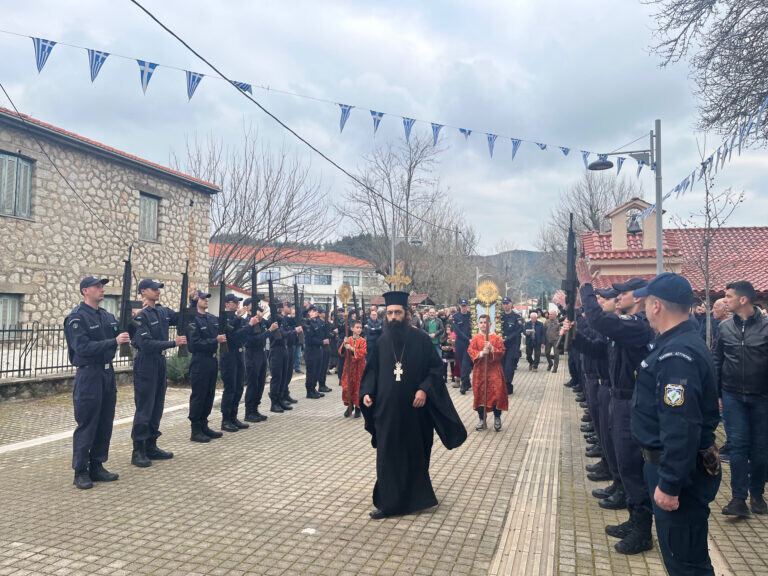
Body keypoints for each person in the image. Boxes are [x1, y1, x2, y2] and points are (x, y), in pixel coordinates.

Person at [632, 273, 721, 575]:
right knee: (682, 556)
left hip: (677, 473)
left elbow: (681, 426)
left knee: (686, 563)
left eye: (645, 303)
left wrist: (669, 483)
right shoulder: (679, 344)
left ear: (656, 306)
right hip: (675, 467)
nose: (644, 309)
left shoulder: (676, 356)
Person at [360, 291, 467, 519]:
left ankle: (416, 499)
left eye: (397, 312)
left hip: (415, 414)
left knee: (414, 454)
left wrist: (424, 389)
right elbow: (372, 371)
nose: (393, 317)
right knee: (387, 455)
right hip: (387, 413)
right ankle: (387, 504)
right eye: (389, 313)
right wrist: (367, 392)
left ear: (406, 314)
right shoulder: (381, 341)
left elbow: (436, 369)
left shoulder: (420, 340)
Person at [574, 260, 655, 555]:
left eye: (622, 293)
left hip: (630, 401)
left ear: (639, 297)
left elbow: (598, 320)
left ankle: (642, 530)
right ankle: (635, 519)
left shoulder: (637, 326)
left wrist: (586, 286)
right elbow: (599, 351)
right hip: (619, 398)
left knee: (632, 464)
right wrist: (575, 338)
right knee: (624, 460)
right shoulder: (625, 329)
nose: (617, 297)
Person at [65, 276, 129, 489]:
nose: (101, 290)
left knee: (105, 421)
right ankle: (80, 470)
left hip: (106, 373)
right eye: (97, 286)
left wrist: (134, 319)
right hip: (89, 374)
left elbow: (120, 336)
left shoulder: (107, 316)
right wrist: (113, 341)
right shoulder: (77, 318)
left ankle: (97, 465)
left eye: (102, 286)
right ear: (85, 291)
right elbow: (81, 347)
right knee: (88, 422)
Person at [715, 280, 768, 517]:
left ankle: (757, 494)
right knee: (737, 446)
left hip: (762, 397)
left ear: (743, 300)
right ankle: (738, 499)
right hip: (732, 395)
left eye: (728, 296)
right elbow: (718, 361)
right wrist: (717, 393)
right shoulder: (724, 327)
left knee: (760, 449)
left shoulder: (767, 327)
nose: (726, 300)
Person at [130, 279, 185, 468]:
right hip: (146, 362)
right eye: (154, 289)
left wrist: (193, 303)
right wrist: (172, 344)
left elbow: (181, 317)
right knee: (145, 407)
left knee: (157, 406)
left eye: (159, 288)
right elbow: (144, 343)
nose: (158, 291)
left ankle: (151, 445)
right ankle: (138, 450)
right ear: (143, 291)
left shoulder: (162, 311)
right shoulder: (139, 315)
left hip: (160, 361)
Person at [186, 290, 227, 443]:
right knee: (199, 396)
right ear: (196, 301)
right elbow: (194, 344)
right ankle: (195, 429)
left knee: (209, 395)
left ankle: (204, 425)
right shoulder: (193, 320)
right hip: (200, 361)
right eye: (203, 299)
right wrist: (214, 340)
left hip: (212, 360)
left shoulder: (211, 318)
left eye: (206, 298)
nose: (206, 301)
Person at [219, 294, 254, 432]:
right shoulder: (226, 318)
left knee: (239, 387)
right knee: (230, 388)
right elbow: (233, 336)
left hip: (239, 354)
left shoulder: (237, 318)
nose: (238, 305)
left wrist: (247, 322)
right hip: (229, 355)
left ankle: (233, 416)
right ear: (227, 304)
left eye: (238, 303)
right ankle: (226, 419)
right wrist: (240, 320)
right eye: (235, 302)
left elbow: (245, 334)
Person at [468, 314, 507, 431]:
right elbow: (470, 350)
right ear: (478, 324)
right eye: (481, 322)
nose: (483, 325)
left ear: (490, 324)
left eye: (485, 322)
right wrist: (480, 353)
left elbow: (502, 351)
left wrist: (492, 349)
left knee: (497, 393)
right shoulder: (475, 338)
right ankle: (481, 419)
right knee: (480, 394)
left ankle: (497, 418)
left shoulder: (496, 338)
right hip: (480, 371)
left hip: (494, 371)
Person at [243, 298, 272, 423]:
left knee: (260, 383)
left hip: (261, 353)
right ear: (247, 308)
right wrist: (268, 332)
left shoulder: (260, 322)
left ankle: (255, 409)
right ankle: (249, 412)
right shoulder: (247, 323)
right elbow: (254, 340)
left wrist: (262, 320)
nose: (258, 309)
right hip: (252, 354)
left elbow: (264, 332)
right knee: (253, 384)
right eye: (254, 306)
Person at [340, 319, 366, 418]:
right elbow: (342, 353)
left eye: (360, 328)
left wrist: (352, 349)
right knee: (347, 386)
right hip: (349, 367)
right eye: (357, 327)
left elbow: (362, 353)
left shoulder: (363, 341)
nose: (359, 329)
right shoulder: (349, 339)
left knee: (358, 387)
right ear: (352, 329)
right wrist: (345, 345)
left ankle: (358, 407)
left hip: (359, 368)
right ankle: (350, 405)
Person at [500, 297, 523, 395]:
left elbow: (518, 331)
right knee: (501, 366)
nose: (505, 305)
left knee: (509, 367)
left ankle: (508, 384)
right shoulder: (499, 317)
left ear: (511, 304)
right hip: (501, 345)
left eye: (507, 303)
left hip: (512, 346)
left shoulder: (516, 317)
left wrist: (507, 338)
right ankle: (502, 384)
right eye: (504, 303)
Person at [304, 305, 326, 399]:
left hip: (318, 349)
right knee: (311, 371)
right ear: (309, 312)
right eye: (313, 311)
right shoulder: (308, 323)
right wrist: (321, 342)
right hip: (311, 350)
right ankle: (309, 391)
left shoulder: (316, 322)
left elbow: (321, 334)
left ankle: (313, 389)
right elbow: (310, 339)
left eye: (315, 311)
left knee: (317, 370)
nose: (315, 312)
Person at [453, 298, 473, 394]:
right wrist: (467, 338)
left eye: (465, 306)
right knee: (461, 364)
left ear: (468, 306)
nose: (463, 307)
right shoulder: (455, 316)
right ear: (459, 306)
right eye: (462, 306)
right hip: (460, 343)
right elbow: (457, 331)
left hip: (469, 344)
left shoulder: (472, 316)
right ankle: (468, 382)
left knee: (465, 364)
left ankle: (463, 385)